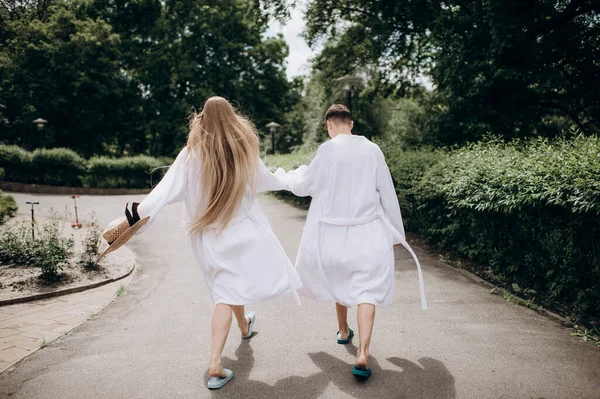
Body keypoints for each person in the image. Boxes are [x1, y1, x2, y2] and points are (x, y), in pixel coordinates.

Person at [99, 96, 301, 390]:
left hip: (208, 238)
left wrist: (136, 217)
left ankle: (232, 342)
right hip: (242, 234)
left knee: (225, 286)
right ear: (232, 117)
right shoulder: (244, 150)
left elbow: (163, 192)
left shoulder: (191, 154)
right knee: (229, 287)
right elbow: (268, 180)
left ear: (201, 120)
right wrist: (294, 180)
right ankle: (222, 355)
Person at [282, 104, 427, 378]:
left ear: (329, 126)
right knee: (366, 290)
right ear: (351, 123)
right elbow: (387, 191)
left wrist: (287, 177)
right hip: (367, 232)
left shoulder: (326, 150)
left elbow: (305, 186)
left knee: (339, 278)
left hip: (334, 234)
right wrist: (397, 231)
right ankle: (363, 351)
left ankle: (344, 330)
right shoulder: (372, 149)